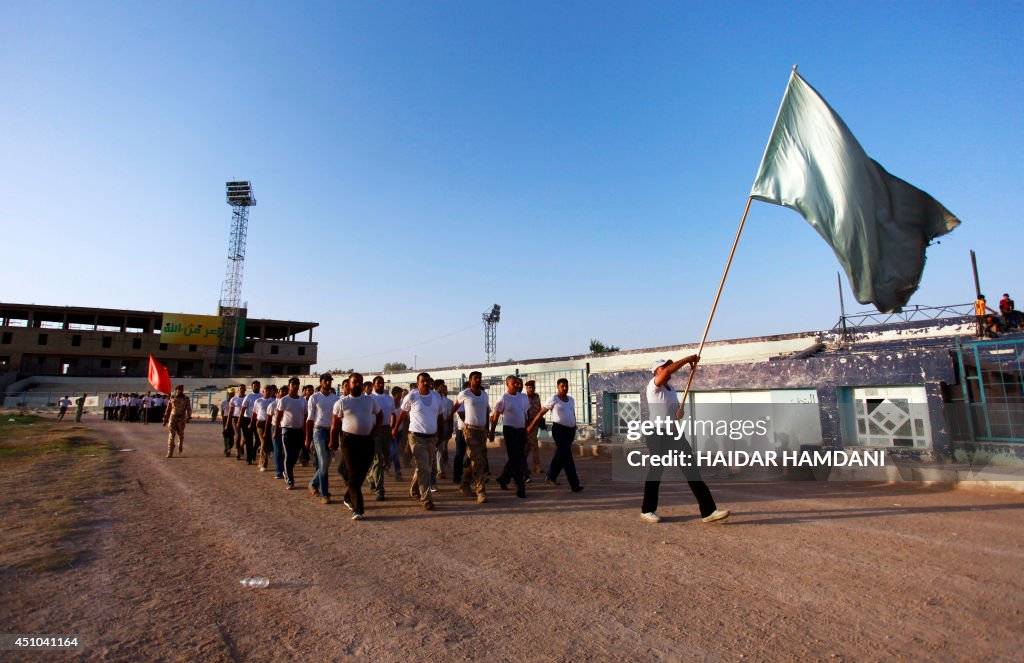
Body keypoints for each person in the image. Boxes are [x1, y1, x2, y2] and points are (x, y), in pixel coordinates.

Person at [641, 357, 729, 524]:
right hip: (656, 434)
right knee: (656, 471)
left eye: (668, 365)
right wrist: (689, 359)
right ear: (656, 371)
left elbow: (675, 413)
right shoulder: (653, 386)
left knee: (692, 471)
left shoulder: (671, 389)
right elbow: (668, 371)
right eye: (664, 366)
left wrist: (680, 414)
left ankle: (708, 511)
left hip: (674, 433)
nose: (668, 368)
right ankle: (647, 510)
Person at [331, 373, 383, 520]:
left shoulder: (370, 401)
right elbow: (334, 424)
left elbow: (380, 415)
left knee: (362, 473)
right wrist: (333, 440)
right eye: (355, 382)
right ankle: (357, 509)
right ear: (349, 384)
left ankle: (348, 496)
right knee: (353, 473)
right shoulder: (342, 403)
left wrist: (375, 431)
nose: (358, 384)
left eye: (360, 382)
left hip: (367, 440)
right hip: (349, 442)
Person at [393, 373, 445, 511]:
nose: (426, 383)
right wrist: (395, 429)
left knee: (424, 467)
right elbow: (402, 415)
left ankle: (414, 490)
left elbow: (440, 416)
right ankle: (426, 499)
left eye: (428, 381)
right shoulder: (412, 396)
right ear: (418, 383)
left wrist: (441, 434)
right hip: (416, 437)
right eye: (423, 381)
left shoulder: (436, 397)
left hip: (432, 437)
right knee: (424, 468)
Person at [527, 378, 583, 492]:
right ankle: (575, 484)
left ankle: (551, 476)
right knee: (567, 457)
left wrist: (574, 424)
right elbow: (541, 413)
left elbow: (572, 413)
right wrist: (531, 426)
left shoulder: (571, 399)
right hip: (559, 430)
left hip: (570, 431)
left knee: (561, 455)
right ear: (558, 387)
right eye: (562, 386)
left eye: (566, 386)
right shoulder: (553, 399)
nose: (565, 388)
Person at [452, 372, 490, 503]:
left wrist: (488, 429)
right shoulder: (465, 394)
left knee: (478, 459)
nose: (478, 380)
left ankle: (464, 483)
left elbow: (486, 411)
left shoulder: (484, 395)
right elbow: (455, 408)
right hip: (470, 431)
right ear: (470, 380)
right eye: (476, 378)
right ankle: (480, 491)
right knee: (478, 460)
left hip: (482, 431)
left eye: (480, 378)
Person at [492, 376, 530, 498]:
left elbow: (526, 414)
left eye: (518, 383)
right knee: (515, 459)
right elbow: (496, 414)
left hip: (521, 430)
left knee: (518, 457)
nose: (517, 385)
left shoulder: (523, 397)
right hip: (509, 430)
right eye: (514, 383)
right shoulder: (504, 397)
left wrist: (526, 430)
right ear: (507, 385)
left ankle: (503, 478)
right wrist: (492, 431)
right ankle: (520, 486)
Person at [306, 374, 339, 504]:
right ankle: (324, 494)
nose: (328, 383)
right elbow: (310, 418)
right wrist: (307, 438)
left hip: (331, 430)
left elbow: (337, 418)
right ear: (321, 382)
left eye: (329, 381)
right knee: (323, 463)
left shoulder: (335, 398)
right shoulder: (314, 397)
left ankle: (313, 483)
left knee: (327, 462)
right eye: (325, 381)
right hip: (318, 430)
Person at [274, 378, 307, 490]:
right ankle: (290, 480)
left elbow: (305, 416)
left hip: (299, 430)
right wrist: (275, 431)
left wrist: (306, 431)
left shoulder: (303, 401)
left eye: (297, 384)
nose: (296, 386)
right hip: (286, 430)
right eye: (293, 384)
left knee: (295, 455)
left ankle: (286, 471)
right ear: (289, 386)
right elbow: (279, 416)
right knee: (288, 455)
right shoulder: (284, 400)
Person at [367, 376, 395, 501]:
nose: (381, 385)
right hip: (374, 430)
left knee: (386, 459)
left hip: (386, 429)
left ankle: (371, 478)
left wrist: (392, 427)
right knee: (377, 459)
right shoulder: (369, 399)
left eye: (382, 383)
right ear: (374, 384)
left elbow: (393, 413)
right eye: (378, 383)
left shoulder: (389, 398)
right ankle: (380, 490)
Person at [162, 385, 192, 457]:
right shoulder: (172, 398)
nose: (179, 391)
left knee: (180, 434)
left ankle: (180, 444)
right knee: (171, 435)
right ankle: (170, 451)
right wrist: (165, 419)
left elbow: (188, 408)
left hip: (181, 418)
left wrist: (188, 416)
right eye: (178, 390)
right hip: (172, 418)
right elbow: (168, 409)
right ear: (176, 390)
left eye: (181, 390)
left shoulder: (186, 399)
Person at [252, 385, 275, 471]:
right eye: (266, 390)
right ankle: (263, 464)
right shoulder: (258, 401)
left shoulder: (273, 401)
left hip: (270, 424)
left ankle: (261, 457)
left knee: (267, 444)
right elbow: (254, 413)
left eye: (269, 390)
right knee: (264, 442)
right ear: (263, 391)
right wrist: (251, 423)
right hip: (261, 423)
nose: (268, 392)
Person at [238, 380, 261, 464]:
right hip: (247, 419)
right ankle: (249, 458)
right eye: (255, 386)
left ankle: (254, 451)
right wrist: (239, 421)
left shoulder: (261, 396)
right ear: (252, 387)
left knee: (259, 439)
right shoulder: (249, 396)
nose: (256, 387)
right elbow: (243, 409)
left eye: (258, 386)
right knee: (249, 440)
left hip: (257, 420)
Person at [524, 380, 544, 478]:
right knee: (532, 444)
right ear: (526, 388)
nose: (531, 389)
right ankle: (536, 466)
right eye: (529, 387)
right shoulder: (523, 398)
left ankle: (523, 463)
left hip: (535, 423)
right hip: (527, 424)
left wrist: (541, 420)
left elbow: (539, 409)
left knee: (529, 445)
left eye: (533, 387)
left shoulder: (537, 397)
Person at [228, 384, 247, 460]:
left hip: (245, 418)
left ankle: (241, 445)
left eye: (243, 388)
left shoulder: (247, 398)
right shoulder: (234, 399)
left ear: (245, 390)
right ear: (238, 390)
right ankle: (237, 451)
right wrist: (228, 422)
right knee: (238, 435)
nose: (242, 390)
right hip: (235, 418)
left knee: (246, 437)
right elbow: (230, 411)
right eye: (240, 388)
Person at [221, 388, 236, 457]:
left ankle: (230, 446)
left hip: (233, 418)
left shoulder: (235, 402)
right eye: (230, 393)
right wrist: (223, 419)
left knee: (232, 434)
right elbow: (222, 411)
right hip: (225, 418)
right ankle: (227, 448)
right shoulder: (224, 402)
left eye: (232, 393)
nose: (231, 394)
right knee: (226, 434)